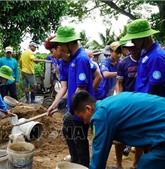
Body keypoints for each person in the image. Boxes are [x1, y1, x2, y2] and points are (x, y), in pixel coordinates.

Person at [70, 90, 165, 169]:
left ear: (88, 108)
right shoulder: (108, 104)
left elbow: (98, 158)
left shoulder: (101, 116)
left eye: (82, 118)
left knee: (146, 164)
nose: (85, 122)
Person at [48, 26, 94, 167]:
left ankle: (83, 165)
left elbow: (81, 89)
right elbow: (65, 87)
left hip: (80, 110)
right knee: (70, 134)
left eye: (61, 45)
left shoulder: (81, 59)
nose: (60, 48)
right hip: (74, 109)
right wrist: (55, 103)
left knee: (79, 140)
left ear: (68, 43)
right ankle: (75, 163)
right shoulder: (73, 59)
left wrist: (71, 108)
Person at [115, 40, 143, 169]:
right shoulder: (123, 63)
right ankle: (119, 164)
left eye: (134, 47)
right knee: (120, 133)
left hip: (141, 103)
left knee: (140, 134)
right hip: (127, 103)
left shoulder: (145, 60)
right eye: (129, 48)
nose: (132, 50)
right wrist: (120, 100)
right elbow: (120, 83)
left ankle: (136, 164)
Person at [122, 18, 165, 97]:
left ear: (145, 37)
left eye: (134, 39)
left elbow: (155, 89)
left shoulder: (156, 57)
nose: (132, 42)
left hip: (149, 104)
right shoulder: (145, 53)